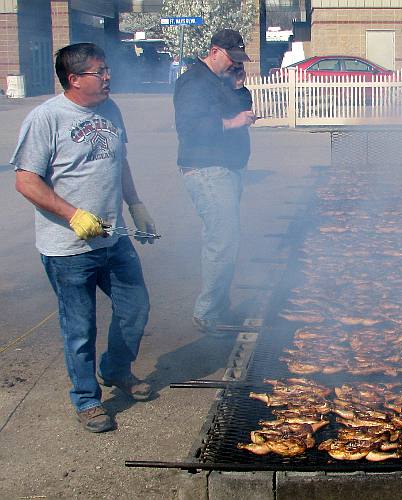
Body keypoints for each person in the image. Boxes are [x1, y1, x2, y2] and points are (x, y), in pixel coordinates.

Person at [11, 43, 157, 433]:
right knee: (80, 329)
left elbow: (118, 160)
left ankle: (116, 368)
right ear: (75, 79)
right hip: (68, 250)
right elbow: (25, 180)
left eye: (107, 69)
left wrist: (136, 205)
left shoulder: (111, 110)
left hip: (114, 239)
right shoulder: (47, 118)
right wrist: (72, 214)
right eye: (100, 71)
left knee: (136, 307)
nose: (108, 77)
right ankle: (87, 399)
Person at [173, 29, 256, 335]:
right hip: (207, 169)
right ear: (215, 51)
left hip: (228, 167)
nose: (234, 64)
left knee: (227, 238)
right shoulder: (194, 82)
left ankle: (219, 308)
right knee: (223, 239)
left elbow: (242, 107)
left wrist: (238, 86)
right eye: (232, 59)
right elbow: (189, 126)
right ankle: (207, 313)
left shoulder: (222, 81)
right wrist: (233, 122)